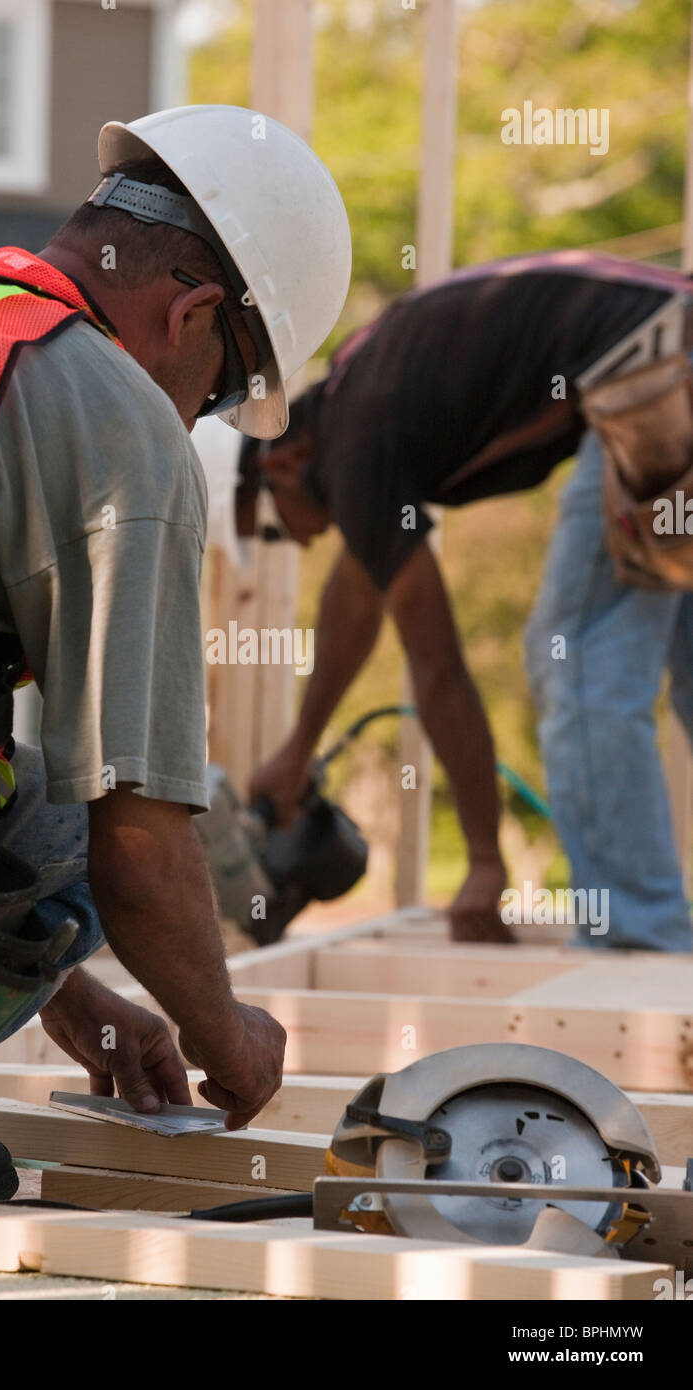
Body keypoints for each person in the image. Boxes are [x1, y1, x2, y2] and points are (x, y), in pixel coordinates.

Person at [0, 104, 351, 1247]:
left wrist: (82, 1004)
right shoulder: (117, 423)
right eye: (217, 390)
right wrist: (226, 1036)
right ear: (194, 311)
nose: (195, 419)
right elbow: (139, 847)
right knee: (71, 806)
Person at [239, 249, 693, 953]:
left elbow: (439, 667)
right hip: (664, 358)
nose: (296, 545)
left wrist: (484, 858)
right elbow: (356, 598)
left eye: (270, 529)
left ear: (281, 464)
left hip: (653, 375)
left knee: (574, 661)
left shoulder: (357, 444)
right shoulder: (360, 403)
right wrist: (298, 752)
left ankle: (642, 942)